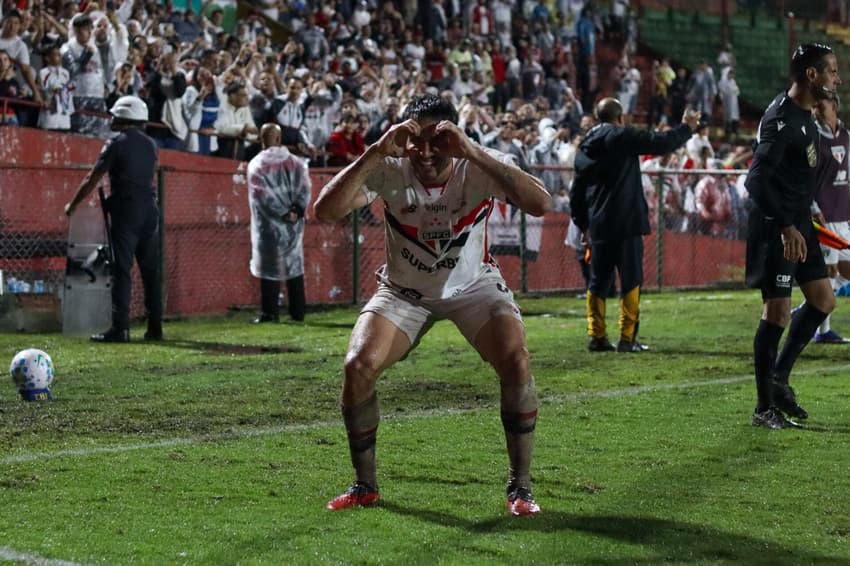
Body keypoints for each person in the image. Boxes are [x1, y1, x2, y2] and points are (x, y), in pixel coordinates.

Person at [313, 94, 552, 516]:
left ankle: (521, 487)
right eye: (416, 140)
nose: (424, 152)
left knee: (516, 359)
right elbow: (326, 211)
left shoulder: (476, 162)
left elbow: (541, 204)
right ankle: (365, 485)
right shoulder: (389, 166)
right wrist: (375, 150)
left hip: (473, 286)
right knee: (358, 366)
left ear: (454, 136)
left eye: (437, 140)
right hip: (405, 291)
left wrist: (472, 151)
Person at [744, 43, 841, 429]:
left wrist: (806, 216)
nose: (837, 78)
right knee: (777, 311)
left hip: (799, 223)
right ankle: (763, 408)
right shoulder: (781, 119)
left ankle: (779, 380)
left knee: (824, 301)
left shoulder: (804, 116)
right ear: (811, 75)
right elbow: (756, 180)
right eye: (832, 70)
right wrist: (785, 226)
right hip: (777, 226)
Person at [570, 98, 700, 353]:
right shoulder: (622, 136)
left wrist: (583, 224)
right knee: (631, 279)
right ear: (620, 118)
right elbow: (661, 142)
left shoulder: (585, 146)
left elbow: (577, 192)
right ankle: (627, 339)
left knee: (598, 281)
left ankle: (597, 336)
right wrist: (687, 128)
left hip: (599, 224)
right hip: (627, 222)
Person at [64, 95, 163, 343]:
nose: (111, 119)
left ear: (124, 117)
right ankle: (155, 327)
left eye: (115, 115)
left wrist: (73, 204)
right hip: (150, 209)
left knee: (121, 269)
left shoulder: (116, 143)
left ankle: (121, 328)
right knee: (150, 270)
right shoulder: (151, 144)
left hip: (126, 210)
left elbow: (93, 178)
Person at [246, 123, 311, 323]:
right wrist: (295, 211)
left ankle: (270, 312)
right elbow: (305, 188)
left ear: (261, 139)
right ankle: (298, 312)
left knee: (268, 268)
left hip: (267, 226)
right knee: (294, 266)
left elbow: (261, 196)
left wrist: (282, 212)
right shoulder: (296, 163)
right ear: (279, 139)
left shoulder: (256, 165)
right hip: (293, 225)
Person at [808, 95, 850, 343]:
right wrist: (813, 208)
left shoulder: (846, 136)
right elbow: (806, 178)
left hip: (843, 215)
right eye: (813, 106)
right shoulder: (813, 138)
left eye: (819, 105)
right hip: (824, 216)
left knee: (844, 271)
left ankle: (808, 310)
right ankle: (822, 331)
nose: (815, 110)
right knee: (830, 270)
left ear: (834, 106)